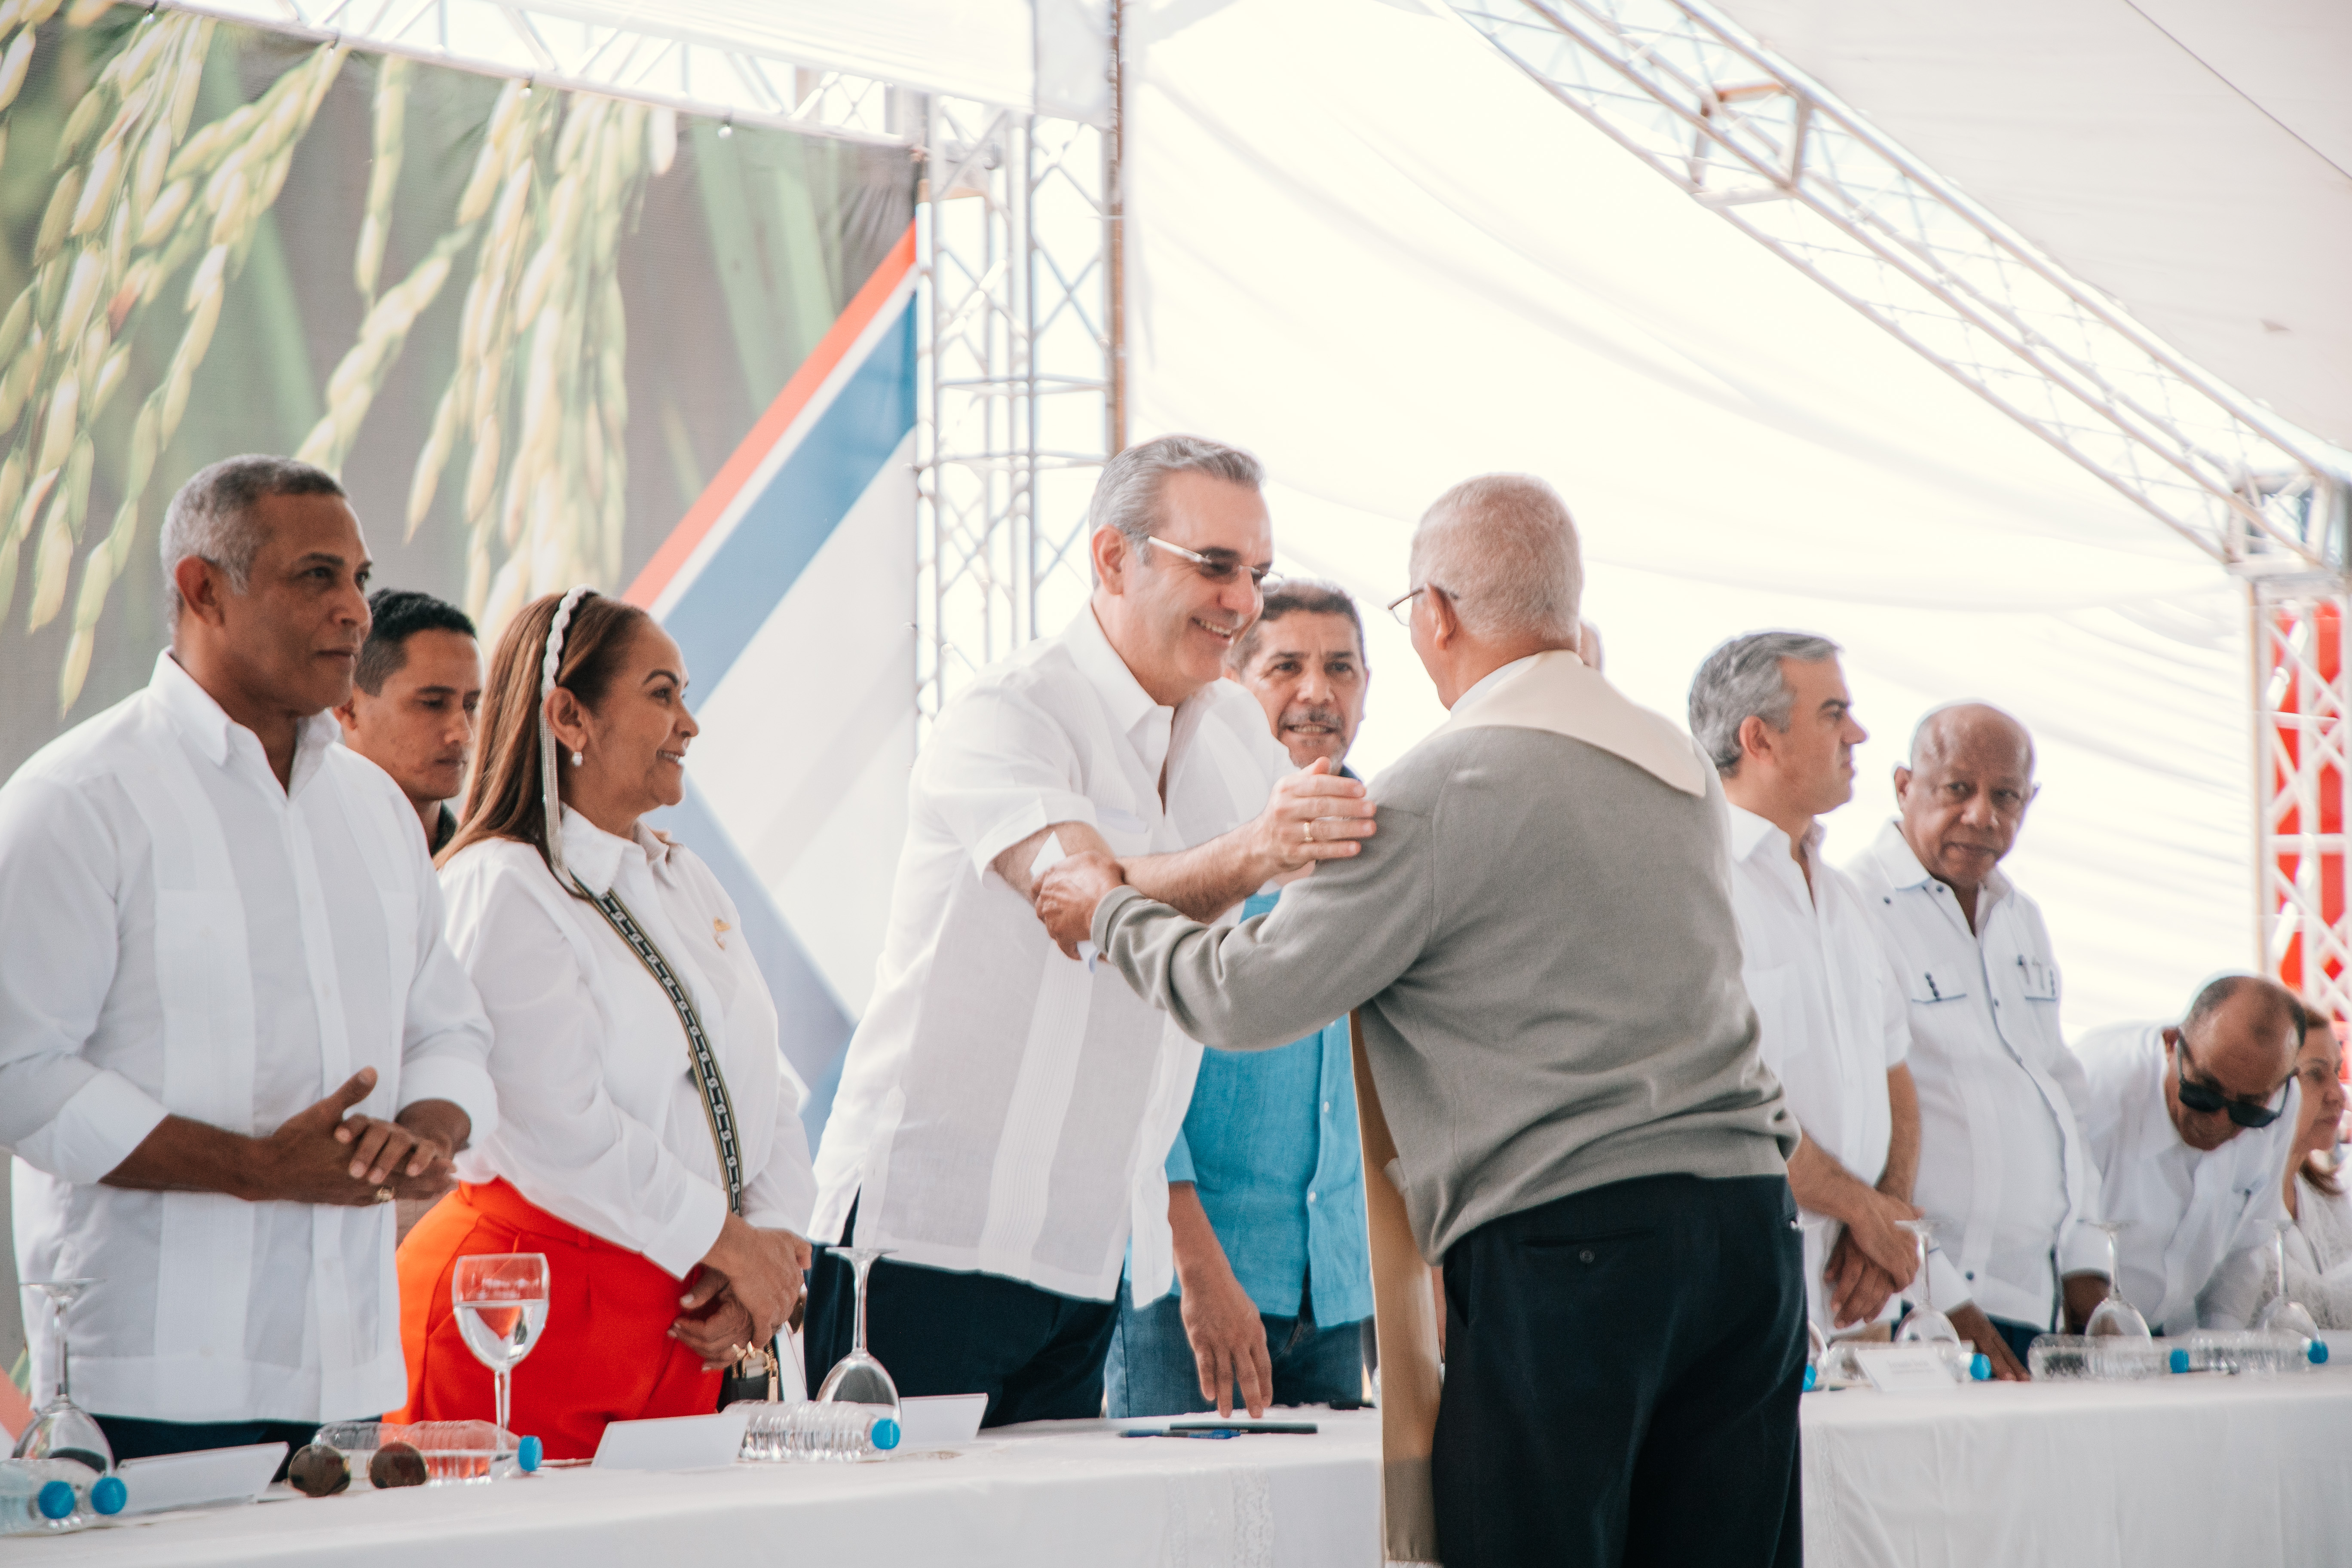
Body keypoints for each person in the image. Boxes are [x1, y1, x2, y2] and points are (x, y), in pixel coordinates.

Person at [1037, 474, 1801, 1567]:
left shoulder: (1438, 788)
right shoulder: (1674, 765)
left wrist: (1107, 909)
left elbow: (1242, 995)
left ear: (1435, 616)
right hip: (1749, 1238)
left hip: (1574, 1249)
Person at [805, 435, 1377, 1428]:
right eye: (1215, 566)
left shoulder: (1235, 737)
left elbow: (1239, 912)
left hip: (1082, 1261)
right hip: (917, 1244)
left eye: (1255, 572)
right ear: (1114, 558)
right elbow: (1079, 898)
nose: (1242, 602)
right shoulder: (1009, 712)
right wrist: (1256, 853)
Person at [0, 456, 496, 1463]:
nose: (355, 610)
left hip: (349, 1366)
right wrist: (257, 1169)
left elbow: (447, 1027)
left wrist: (425, 1133)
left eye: (359, 578)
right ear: (203, 591)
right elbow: (21, 1073)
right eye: (317, 576)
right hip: (148, 1375)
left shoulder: (374, 811)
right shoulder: (78, 798)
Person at [393, 589, 818, 1458]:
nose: (690, 724)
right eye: (663, 694)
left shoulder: (682, 877)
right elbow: (559, 1126)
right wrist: (732, 1247)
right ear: (569, 717)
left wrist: (768, 1255)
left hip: (686, 1323)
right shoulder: (503, 884)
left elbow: (765, 1082)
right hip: (521, 1324)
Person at [1106, 581, 1376, 1418]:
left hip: (1336, 1294)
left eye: (1341, 668)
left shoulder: (1390, 847)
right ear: (1232, 683)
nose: (1317, 691)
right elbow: (1128, 1066)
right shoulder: (1184, 839)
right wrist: (1196, 1266)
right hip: (1184, 1291)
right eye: (1286, 666)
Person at [1690, 633, 1950, 1347]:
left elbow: (1894, 1073)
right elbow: (1714, 1093)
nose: (1857, 734)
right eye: (1833, 713)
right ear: (1758, 739)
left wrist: (1887, 1215)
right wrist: (1859, 1208)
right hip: (1749, 1297)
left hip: (1860, 1298)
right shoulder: (1696, 885)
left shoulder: (1845, 897)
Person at [1846, 703, 2108, 1373]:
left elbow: (2061, 1094)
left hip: (2037, 1299)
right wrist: (1940, 1297)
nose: (1983, 816)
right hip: (1917, 1304)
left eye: (2006, 796)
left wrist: (2085, 1262)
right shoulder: (1854, 908)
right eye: (1957, 789)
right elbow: (1859, 1129)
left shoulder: (2023, 918)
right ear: (1904, 786)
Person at [2076, 975, 2302, 1333]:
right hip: (2079, 1327)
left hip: (2172, 1333)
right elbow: (2061, 1239)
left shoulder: (2281, 1103)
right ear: (2171, 1044)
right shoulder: (2095, 1088)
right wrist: (2112, 1344)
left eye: (2248, 1110)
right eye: (2205, 1093)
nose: (2219, 1121)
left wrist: (2222, 1345)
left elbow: (2248, 1246)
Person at [2205, 1003, 2352, 1327]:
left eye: (2337, 1072)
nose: (2338, 1096)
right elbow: (2316, 1310)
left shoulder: (2329, 1199)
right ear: (2264, 1086)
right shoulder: (2230, 1203)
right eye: (2315, 1074)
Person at [335, 588, 484, 854]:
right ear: (350, 708)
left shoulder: (481, 867)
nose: (464, 734)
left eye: (471, 706)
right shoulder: (306, 848)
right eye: (433, 703)